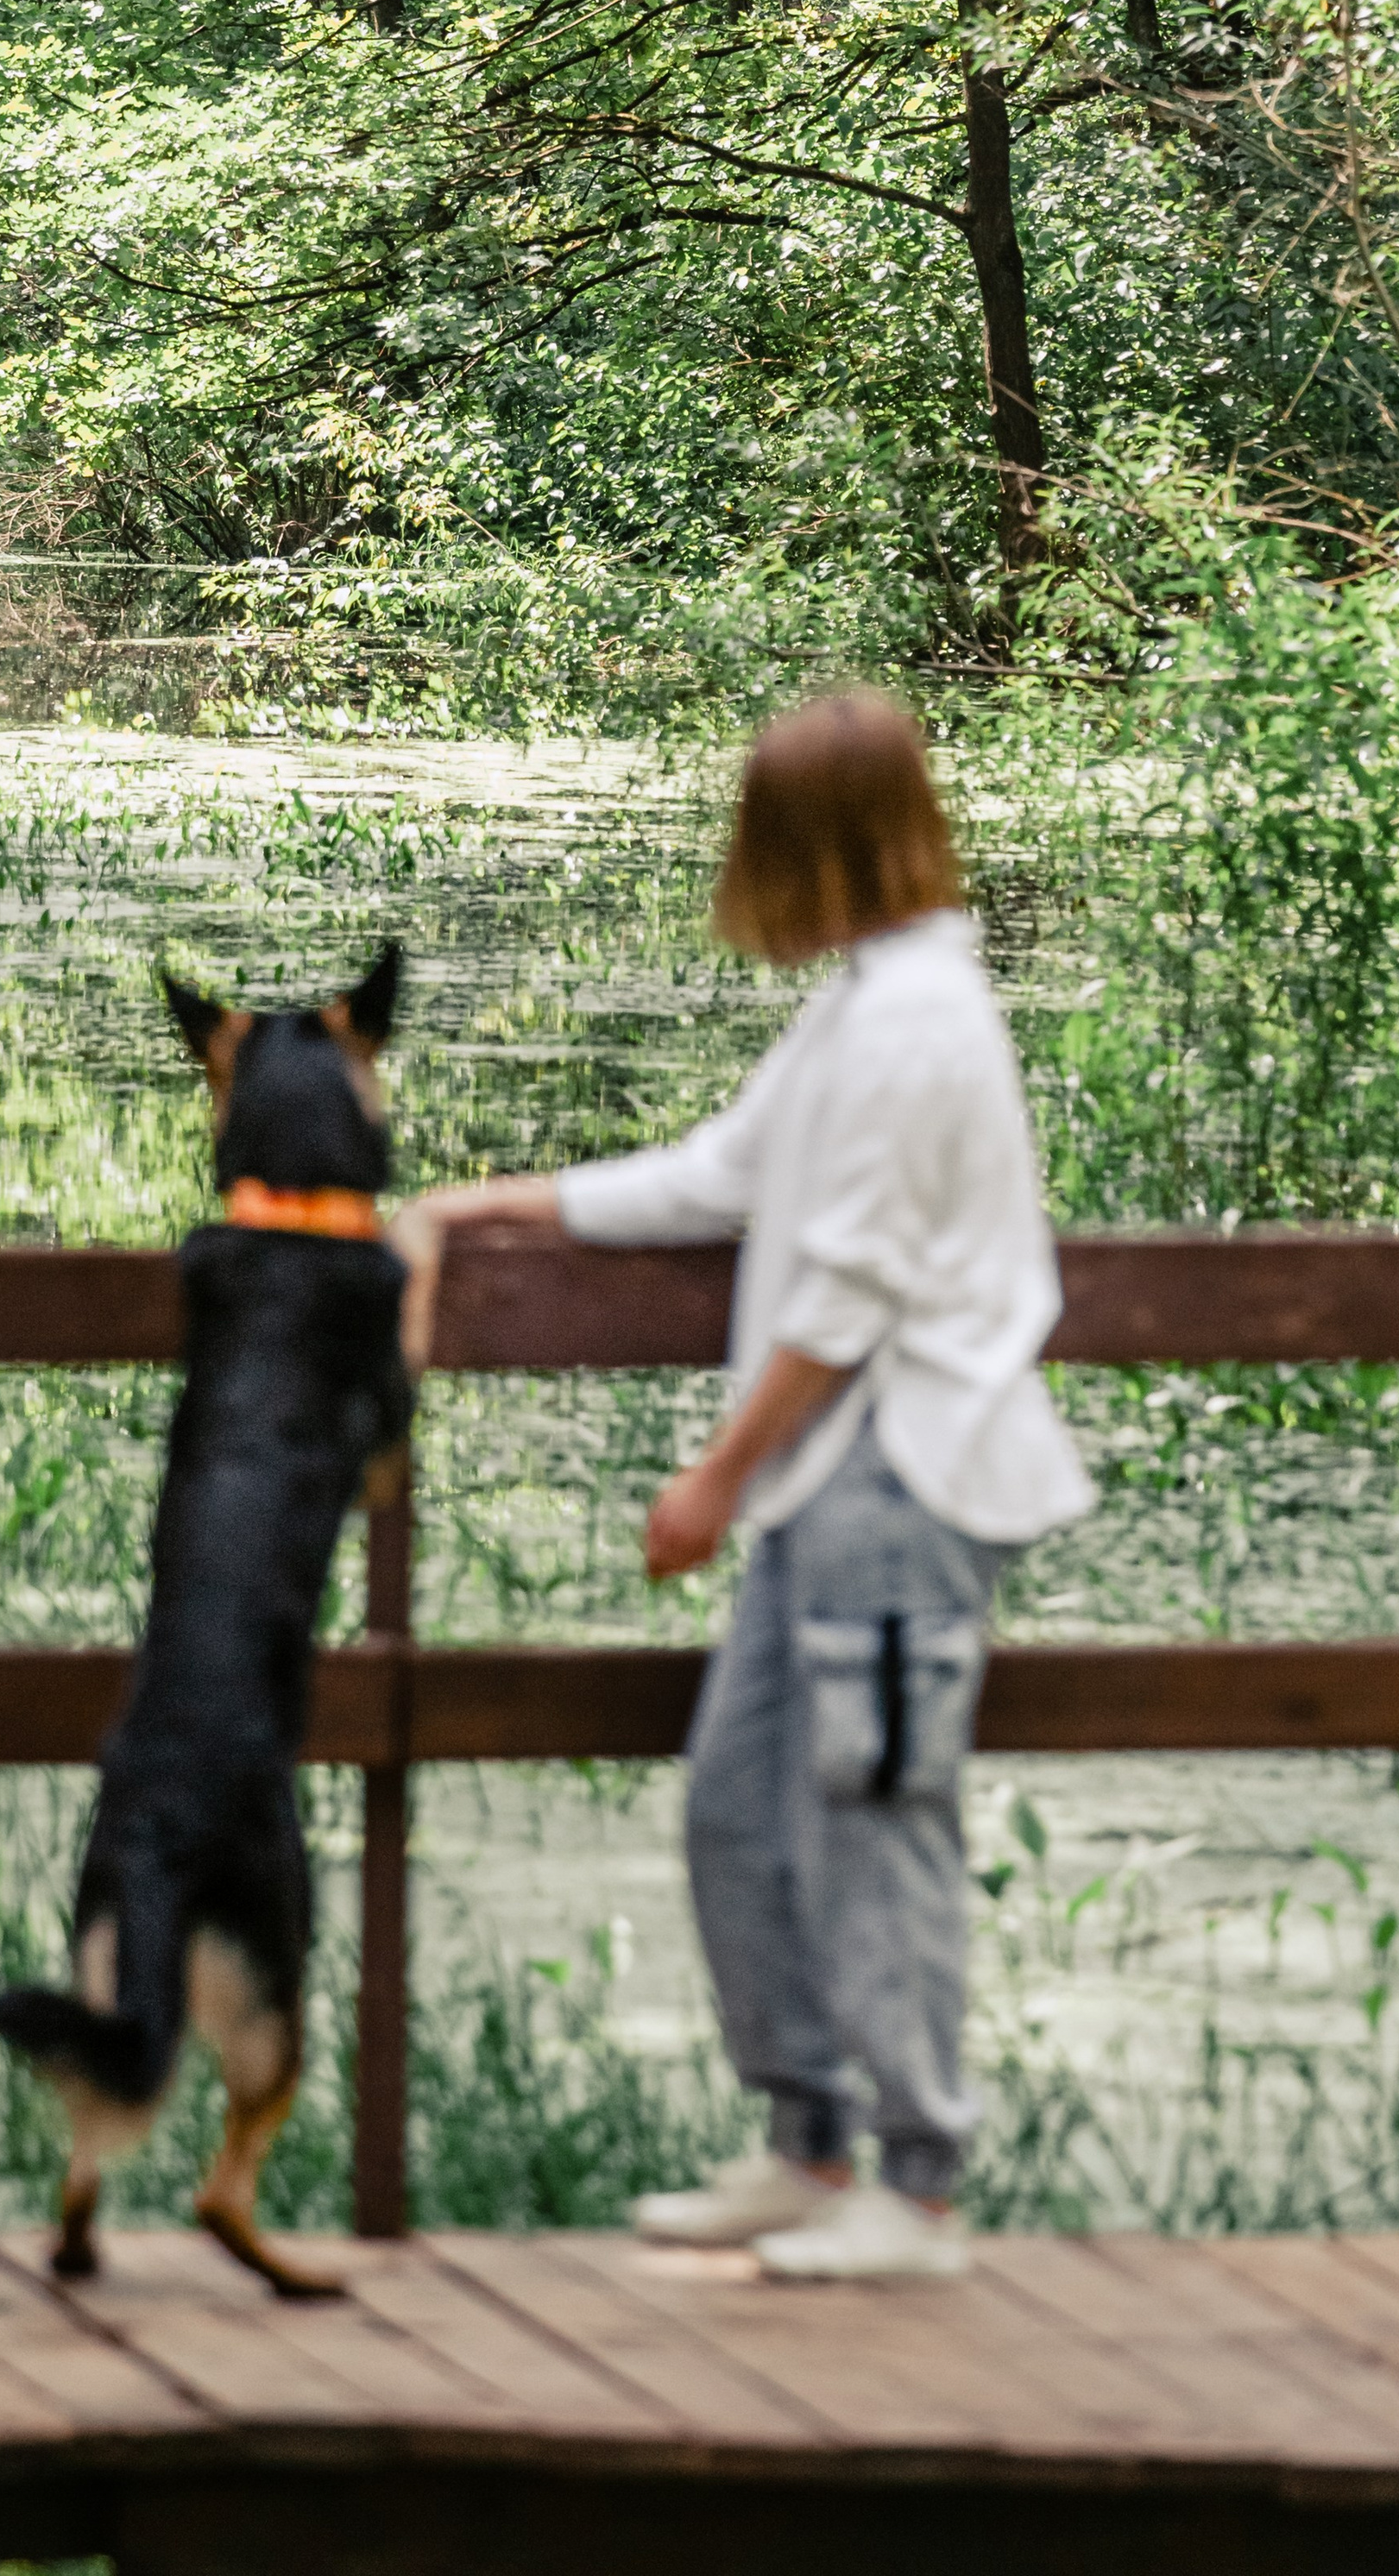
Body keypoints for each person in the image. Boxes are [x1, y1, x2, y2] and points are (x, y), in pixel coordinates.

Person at [394, 691, 1092, 2280]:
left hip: (900, 1485)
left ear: (818, 845)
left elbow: (846, 1302)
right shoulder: (865, 1007)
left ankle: (914, 2188)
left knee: (874, 1820)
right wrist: (478, 1203)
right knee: (738, 1815)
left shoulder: (921, 1026)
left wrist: (711, 1477)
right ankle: (805, 2139)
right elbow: (712, 1182)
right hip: (827, 1494)